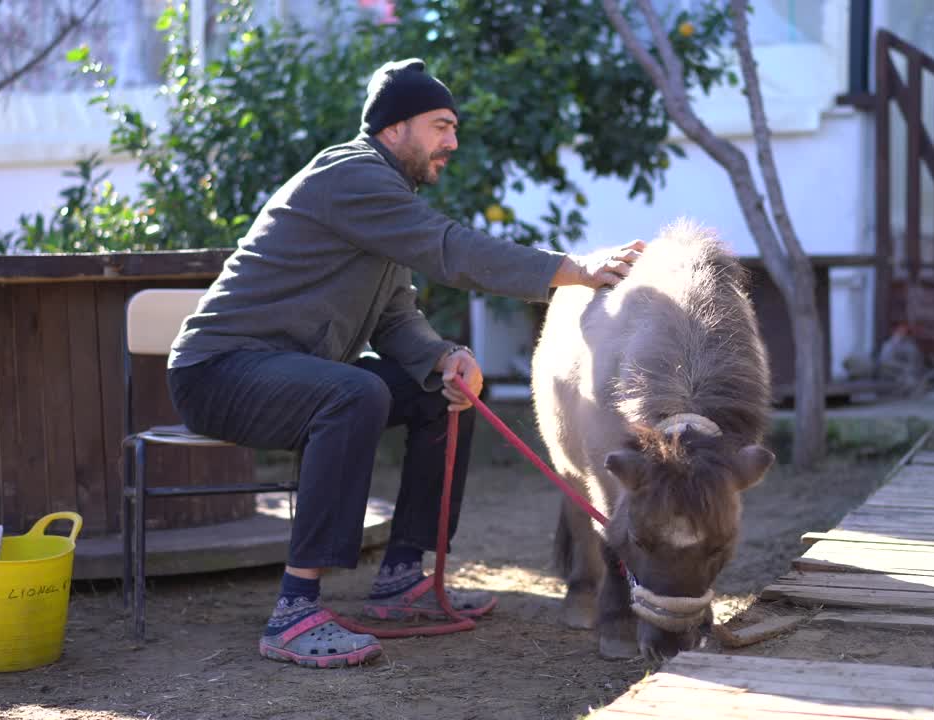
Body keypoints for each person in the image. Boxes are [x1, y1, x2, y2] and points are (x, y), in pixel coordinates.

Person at [166, 58, 644, 669]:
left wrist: (443, 356)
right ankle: (294, 610)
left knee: (440, 391)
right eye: (441, 125)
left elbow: (394, 317)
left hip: (287, 372)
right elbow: (450, 249)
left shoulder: (386, 200)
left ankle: (401, 576)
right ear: (395, 128)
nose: (452, 141)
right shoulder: (351, 177)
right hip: (218, 372)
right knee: (353, 393)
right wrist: (572, 269)